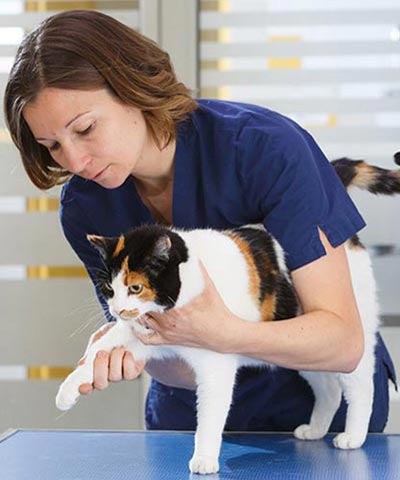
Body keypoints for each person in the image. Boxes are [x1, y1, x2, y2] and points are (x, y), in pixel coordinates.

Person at [4, 9, 396, 432]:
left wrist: (223, 334)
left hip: (317, 409)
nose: (75, 161)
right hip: (191, 415)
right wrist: (140, 351)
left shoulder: (264, 150)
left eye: (85, 128)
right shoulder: (86, 206)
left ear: (132, 88)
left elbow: (341, 343)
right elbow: (172, 366)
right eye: (52, 146)